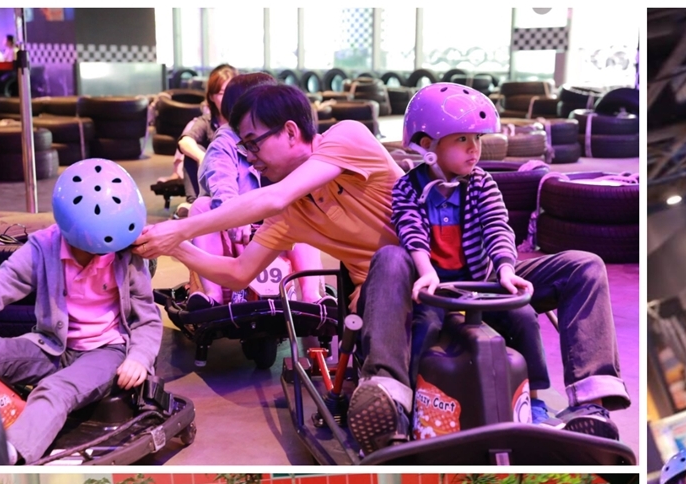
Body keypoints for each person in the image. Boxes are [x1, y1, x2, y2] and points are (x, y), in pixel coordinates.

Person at [132, 83, 629, 454]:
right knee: (390, 259)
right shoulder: (290, 213)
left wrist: (503, 264)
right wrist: (178, 250)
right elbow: (240, 273)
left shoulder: (346, 138)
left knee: (583, 265)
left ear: (290, 132)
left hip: (474, 275)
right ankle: (387, 393)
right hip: (399, 285)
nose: (249, 157)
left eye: (253, 143)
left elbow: (277, 195)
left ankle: (591, 402)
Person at [391, 82, 557, 426]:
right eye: (462, 139)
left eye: (478, 138)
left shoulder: (481, 183)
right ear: (428, 146)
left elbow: (497, 227)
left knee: (524, 317)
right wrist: (426, 272)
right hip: (436, 287)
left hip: (479, 284)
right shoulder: (407, 187)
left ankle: (535, 399)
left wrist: (506, 269)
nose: (474, 149)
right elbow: (411, 230)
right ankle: (413, 402)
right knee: (424, 325)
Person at [0, 158, 160, 465]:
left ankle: (9, 456)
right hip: (51, 346)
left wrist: (139, 358)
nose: (105, 256)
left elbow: (148, 318)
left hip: (106, 351)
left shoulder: (126, 256)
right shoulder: (42, 249)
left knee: (54, 390)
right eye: (97, 249)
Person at [186, 71, 323, 309]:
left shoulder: (281, 140)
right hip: (236, 238)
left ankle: (312, 295)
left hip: (275, 237)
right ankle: (212, 295)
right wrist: (235, 215)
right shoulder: (223, 145)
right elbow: (221, 182)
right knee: (201, 207)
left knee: (300, 207)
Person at [178, 63, 236, 201]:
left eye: (231, 92)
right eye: (221, 93)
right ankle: (194, 203)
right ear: (211, 97)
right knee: (194, 150)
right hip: (210, 184)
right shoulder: (207, 121)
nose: (227, 98)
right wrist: (203, 158)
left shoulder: (245, 122)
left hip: (237, 183)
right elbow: (185, 141)